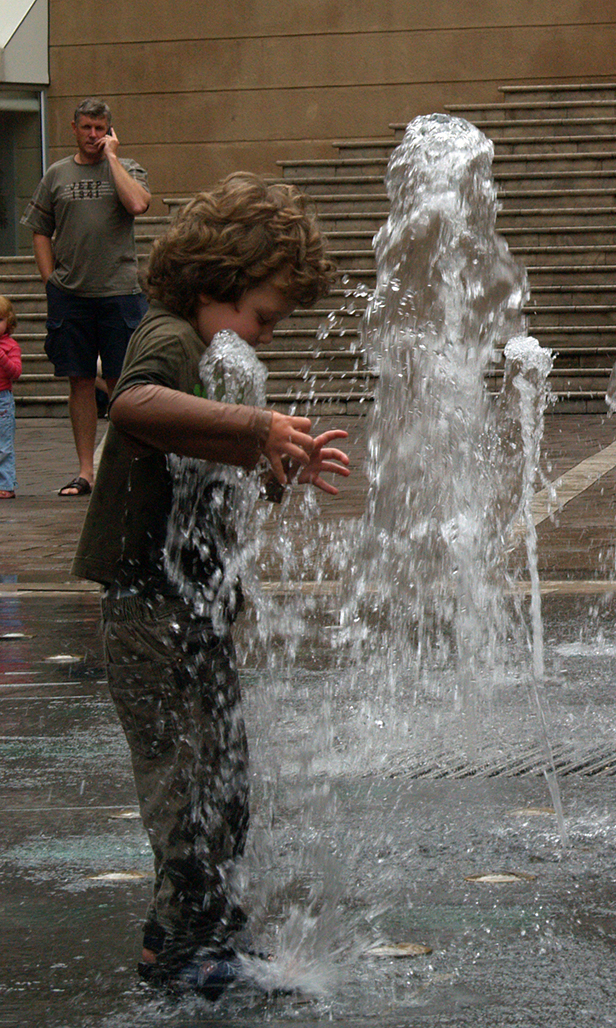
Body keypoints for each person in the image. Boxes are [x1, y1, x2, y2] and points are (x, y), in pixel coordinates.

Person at [72, 173, 347, 997]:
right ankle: (190, 950)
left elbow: (203, 478)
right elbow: (134, 406)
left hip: (192, 609)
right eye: (261, 318)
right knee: (184, 790)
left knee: (224, 787)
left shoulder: (212, 352)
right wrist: (257, 426)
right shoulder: (166, 337)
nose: (261, 338)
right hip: (146, 610)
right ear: (212, 284)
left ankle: (196, 935)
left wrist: (268, 471)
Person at [21, 98, 152, 497]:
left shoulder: (128, 169)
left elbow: (138, 204)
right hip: (71, 295)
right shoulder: (57, 175)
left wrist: (113, 159)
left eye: (100, 128)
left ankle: (128, 466)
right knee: (79, 380)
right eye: (87, 128)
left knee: (122, 382)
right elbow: (40, 228)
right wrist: (50, 281)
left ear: (110, 130)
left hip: (120, 292)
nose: (93, 135)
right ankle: (86, 472)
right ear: (74, 129)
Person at [0, 296, 20, 499]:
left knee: (3, 444)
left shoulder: (10, 346)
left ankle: (6, 483)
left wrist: (2, 357)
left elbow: (16, 372)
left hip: (2, 399)